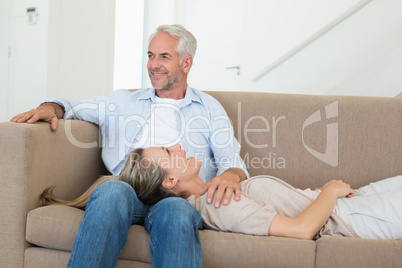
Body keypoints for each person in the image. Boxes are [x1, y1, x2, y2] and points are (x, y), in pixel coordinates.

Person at [11, 25, 248, 267]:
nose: (154, 64)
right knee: (113, 191)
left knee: (175, 211)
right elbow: (71, 107)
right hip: (128, 191)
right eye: (150, 55)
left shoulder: (209, 108)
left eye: (164, 57)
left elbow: (231, 159)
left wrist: (231, 175)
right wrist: (49, 108)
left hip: (178, 197)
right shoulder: (123, 101)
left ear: (186, 64)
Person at [42, 145, 402, 240]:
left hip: (353, 202)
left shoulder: (220, 187)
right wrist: (330, 191)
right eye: (169, 153)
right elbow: (302, 231)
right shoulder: (216, 205)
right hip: (351, 220)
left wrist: (329, 193)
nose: (179, 146)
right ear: (169, 183)